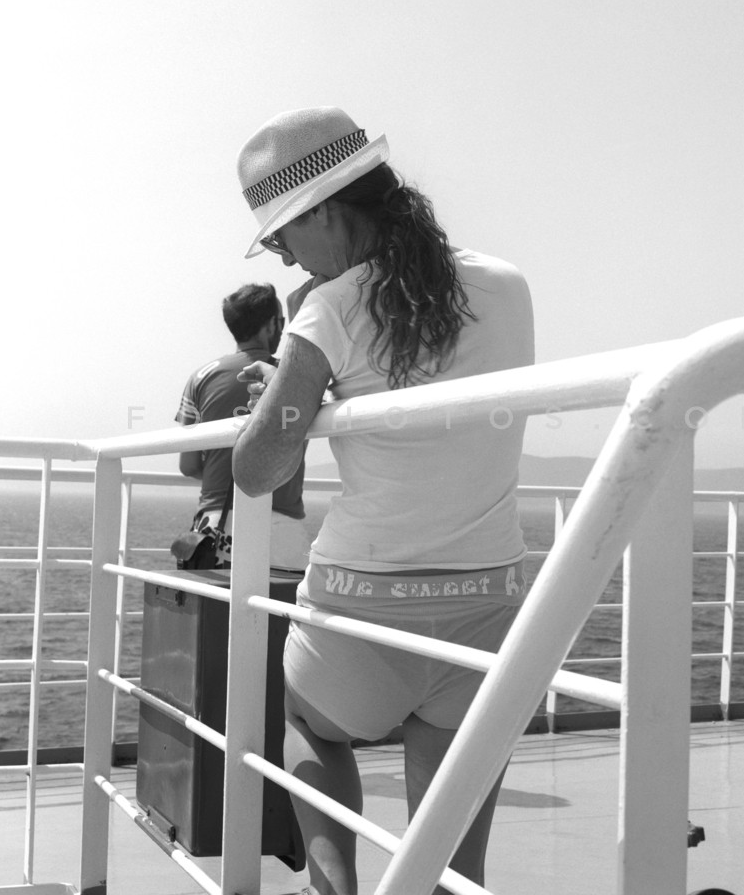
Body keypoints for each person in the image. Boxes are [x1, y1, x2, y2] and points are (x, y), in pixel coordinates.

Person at [232, 106, 534, 895]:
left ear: (322, 213)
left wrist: (297, 370)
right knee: (450, 841)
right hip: (487, 599)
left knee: (305, 723)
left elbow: (257, 467)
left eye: (280, 236)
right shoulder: (508, 286)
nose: (283, 256)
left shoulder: (330, 307)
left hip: (362, 606)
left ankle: (333, 888)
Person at [177, 282, 310, 571]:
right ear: (269, 325)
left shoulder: (200, 377)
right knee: (283, 600)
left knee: (212, 602)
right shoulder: (295, 375)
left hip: (215, 523)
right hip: (282, 524)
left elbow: (188, 465)